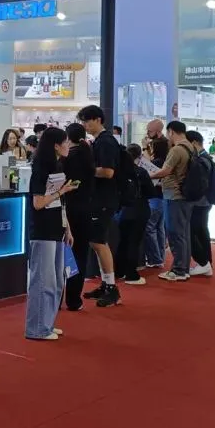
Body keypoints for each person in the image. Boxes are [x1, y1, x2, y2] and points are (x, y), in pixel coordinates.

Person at [26, 127, 75, 340]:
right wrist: (61, 191)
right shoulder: (40, 168)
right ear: (56, 145)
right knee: (42, 282)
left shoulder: (58, 165)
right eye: (65, 142)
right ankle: (37, 328)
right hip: (43, 229)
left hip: (57, 228)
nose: (68, 146)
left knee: (56, 282)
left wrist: (67, 227)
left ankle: (47, 323)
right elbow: (38, 203)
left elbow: (60, 202)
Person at [76, 106, 122, 307]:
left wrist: (86, 171)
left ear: (98, 120)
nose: (85, 125)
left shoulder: (106, 142)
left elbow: (108, 172)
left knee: (99, 242)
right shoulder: (99, 141)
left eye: (87, 121)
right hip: (99, 198)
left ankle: (111, 287)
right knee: (96, 242)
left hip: (104, 199)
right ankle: (106, 284)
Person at [148, 121, 194, 282]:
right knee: (183, 233)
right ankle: (183, 268)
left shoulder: (176, 150)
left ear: (171, 131)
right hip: (185, 195)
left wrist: (148, 175)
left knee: (175, 233)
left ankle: (179, 270)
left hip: (174, 195)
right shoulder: (190, 147)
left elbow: (165, 171)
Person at [62, 123, 95, 312]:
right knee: (80, 255)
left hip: (68, 210)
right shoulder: (88, 155)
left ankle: (56, 298)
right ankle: (74, 300)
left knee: (62, 254)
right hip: (85, 209)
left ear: (67, 138)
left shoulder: (68, 158)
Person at [114, 144, 151, 286]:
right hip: (139, 209)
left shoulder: (118, 172)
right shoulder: (141, 172)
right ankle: (131, 274)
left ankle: (119, 271)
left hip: (122, 211)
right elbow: (150, 191)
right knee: (134, 242)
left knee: (123, 241)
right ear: (139, 156)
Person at [186, 131, 215, 277]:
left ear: (194, 143)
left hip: (200, 201)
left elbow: (200, 183)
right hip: (204, 201)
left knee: (194, 232)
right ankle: (206, 263)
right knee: (202, 232)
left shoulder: (201, 159)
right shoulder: (205, 158)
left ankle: (204, 263)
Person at [142, 136, 169, 268]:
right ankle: (159, 257)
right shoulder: (166, 161)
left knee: (150, 228)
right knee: (159, 228)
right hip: (162, 198)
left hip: (155, 198)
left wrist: (144, 148)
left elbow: (149, 169)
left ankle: (155, 258)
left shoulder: (157, 162)